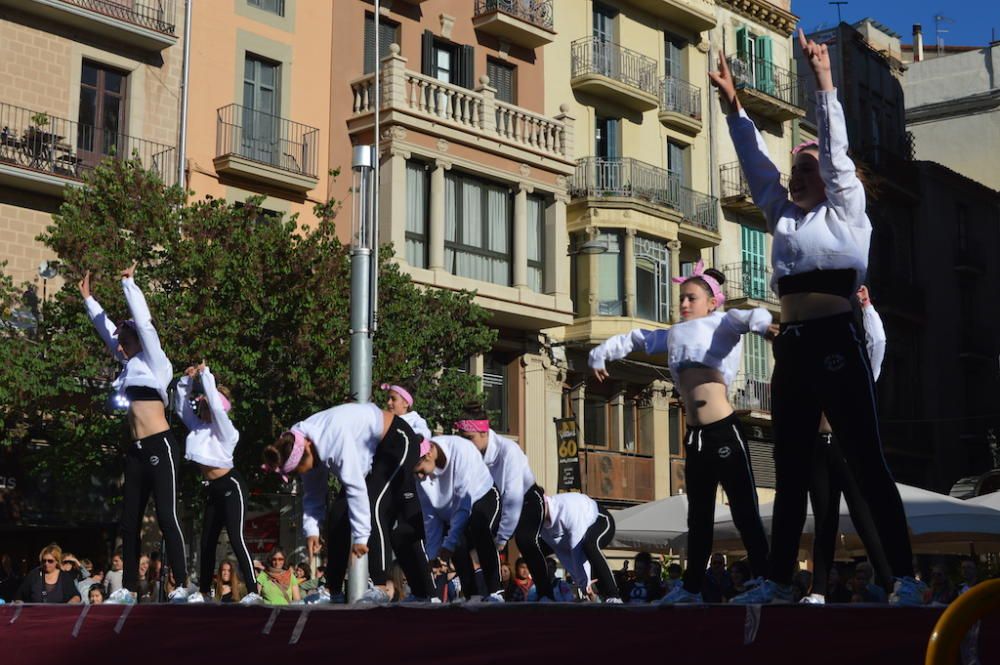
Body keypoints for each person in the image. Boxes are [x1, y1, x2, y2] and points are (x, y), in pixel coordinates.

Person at [712, 32, 920, 605]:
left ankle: (903, 575)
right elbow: (756, 167)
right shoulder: (783, 219)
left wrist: (824, 81)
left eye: (805, 169)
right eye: (795, 170)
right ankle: (778, 578)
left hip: (837, 337)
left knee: (865, 457)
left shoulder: (848, 213)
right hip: (794, 346)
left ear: (830, 178)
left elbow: (833, 151)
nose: (796, 175)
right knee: (791, 465)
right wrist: (735, 107)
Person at [589, 261, 772, 604]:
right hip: (695, 436)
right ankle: (691, 588)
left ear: (712, 302)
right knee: (698, 515)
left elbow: (750, 316)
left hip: (723, 431)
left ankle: (765, 578)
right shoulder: (674, 334)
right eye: (681, 299)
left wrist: (764, 326)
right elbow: (636, 338)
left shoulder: (723, 323)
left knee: (744, 509)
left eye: (691, 298)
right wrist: (600, 354)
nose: (684, 304)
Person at [79, 264, 189, 603]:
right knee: (129, 522)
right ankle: (128, 588)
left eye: (124, 340)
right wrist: (88, 298)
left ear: (136, 341)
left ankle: (184, 584)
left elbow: (142, 322)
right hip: (137, 450)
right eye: (119, 341)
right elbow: (105, 328)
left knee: (168, 516)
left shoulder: (155, 362)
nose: (118, 343)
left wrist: (129, 283)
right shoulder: (127, 365)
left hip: (161, 445)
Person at [261, 401, 431, 604]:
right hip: (371, 456)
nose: (303, 473)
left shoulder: (334, 440)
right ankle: (333, 590)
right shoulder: (299, 443)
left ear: (308, 449)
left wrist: (361, 538)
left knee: (373, 505)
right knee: (337, 515)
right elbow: (314, 495)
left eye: (301, 468)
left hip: (396, 440)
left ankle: (381, 585)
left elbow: (356, 489)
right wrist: (312, 531)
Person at [804, 287, 892, 604]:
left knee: (864, 516)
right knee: (824, 520)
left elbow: (877, 342)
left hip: (848, 444)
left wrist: (867, 307)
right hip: (818, 447)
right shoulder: (814, 361)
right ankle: (817, 590)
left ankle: (891, 583)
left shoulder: (862, 365)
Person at [175, 362, 261, 604]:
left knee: (236, 537)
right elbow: (181, 407)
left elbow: (215, 404)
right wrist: (188, 381)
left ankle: (253, 590)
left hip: (231, 485)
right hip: (212, 488)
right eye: (200, 404)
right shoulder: (198, 428)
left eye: (205, 404)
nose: (201, 407)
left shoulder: (226, 430)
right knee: (207, 540)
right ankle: (203, 591)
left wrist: (206, 375)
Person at [454, 404, 551, 600]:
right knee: (463, 536)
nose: (466, 445)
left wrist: (502, 538)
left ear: (483, 432)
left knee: (526, 541)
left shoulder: (509, 451)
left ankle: (545, 593)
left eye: (469, 439)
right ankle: (472, 593)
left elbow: (513, 497)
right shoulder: (470, 455)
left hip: (527, 499)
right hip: (495, 498)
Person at [411, 435, 504, 602]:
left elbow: (464, 505)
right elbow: (430, 518)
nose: (418, 476)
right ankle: (472, 596)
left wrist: (447, 546)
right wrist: (434, 556)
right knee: (458, 545)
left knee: (478, 527)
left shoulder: (460, 450)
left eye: (419, 469)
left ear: (430, 453)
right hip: (456, 513)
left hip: (483, 497)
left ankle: (496, 591)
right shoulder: (422, 478)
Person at [539, 491, 621, 603]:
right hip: (579, 537)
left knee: (589, 546)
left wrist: (584, 583)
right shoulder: (542, 527)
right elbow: (562, 553)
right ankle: (600, 595)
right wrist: (581, 583)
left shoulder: (567, 508)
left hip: (600, 519)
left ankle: (614, 594)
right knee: (586, 559)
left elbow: (576, 548)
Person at [16, 544, 81, 604]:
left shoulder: (64, 577)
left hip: (59, 615)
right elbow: (19, 596)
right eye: (44, 561)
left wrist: (69, 605)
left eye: (50, 561)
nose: (46, 564)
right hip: (36, 614)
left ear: (57, 562)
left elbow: (76, 596)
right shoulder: (33, 575)